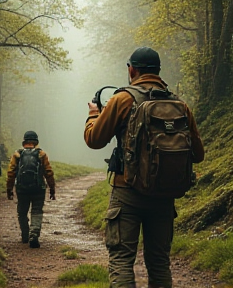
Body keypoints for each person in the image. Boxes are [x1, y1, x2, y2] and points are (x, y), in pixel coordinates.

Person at [84, 47, 205, 288]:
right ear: (158, 71)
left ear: (132, 69)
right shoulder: (178, 103)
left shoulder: (121, 99)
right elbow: (198, 155)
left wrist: (93, 115)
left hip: (127, 193)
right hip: (164, 196)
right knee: (159, 262)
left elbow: (94, 140)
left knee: (121, 260)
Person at [6, 131, 56, 248]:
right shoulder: (41, 155)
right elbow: (48, 173)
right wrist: (52, 188)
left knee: (22, 212)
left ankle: (25, 234)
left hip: (22, 189)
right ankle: (34, 234)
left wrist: (9, 189)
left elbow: (11, 173)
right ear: (36, 142)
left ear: (24, 141)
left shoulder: (17, 155)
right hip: (38, 188)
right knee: (37, 211)